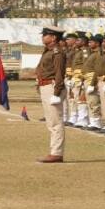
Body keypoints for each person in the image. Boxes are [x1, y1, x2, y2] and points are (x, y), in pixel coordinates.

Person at [36, 26, 68, 163]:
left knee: (55, 122)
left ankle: (56, 153)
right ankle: (54, 151)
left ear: (53, 37)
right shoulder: (48, 51)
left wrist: (57, 92)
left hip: (52, 87)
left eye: (45, 35)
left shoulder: (57, 52)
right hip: (46, 86)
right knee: (51, 122)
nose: (43, 37)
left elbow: (59, 73)